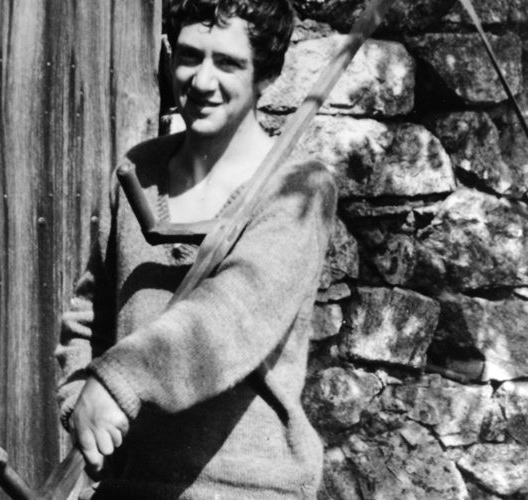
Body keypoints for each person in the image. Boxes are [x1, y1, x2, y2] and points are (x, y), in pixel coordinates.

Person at [55, 0, 336, 497]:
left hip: (246, 486)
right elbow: (87, 314)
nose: (203, 82)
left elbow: (231, 317)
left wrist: (120, 381)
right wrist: (83, 402)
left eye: (227, 63)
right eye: (190, 56)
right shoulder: (138, 172)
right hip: (130, 483)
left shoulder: (298, 190)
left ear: (267, 75)